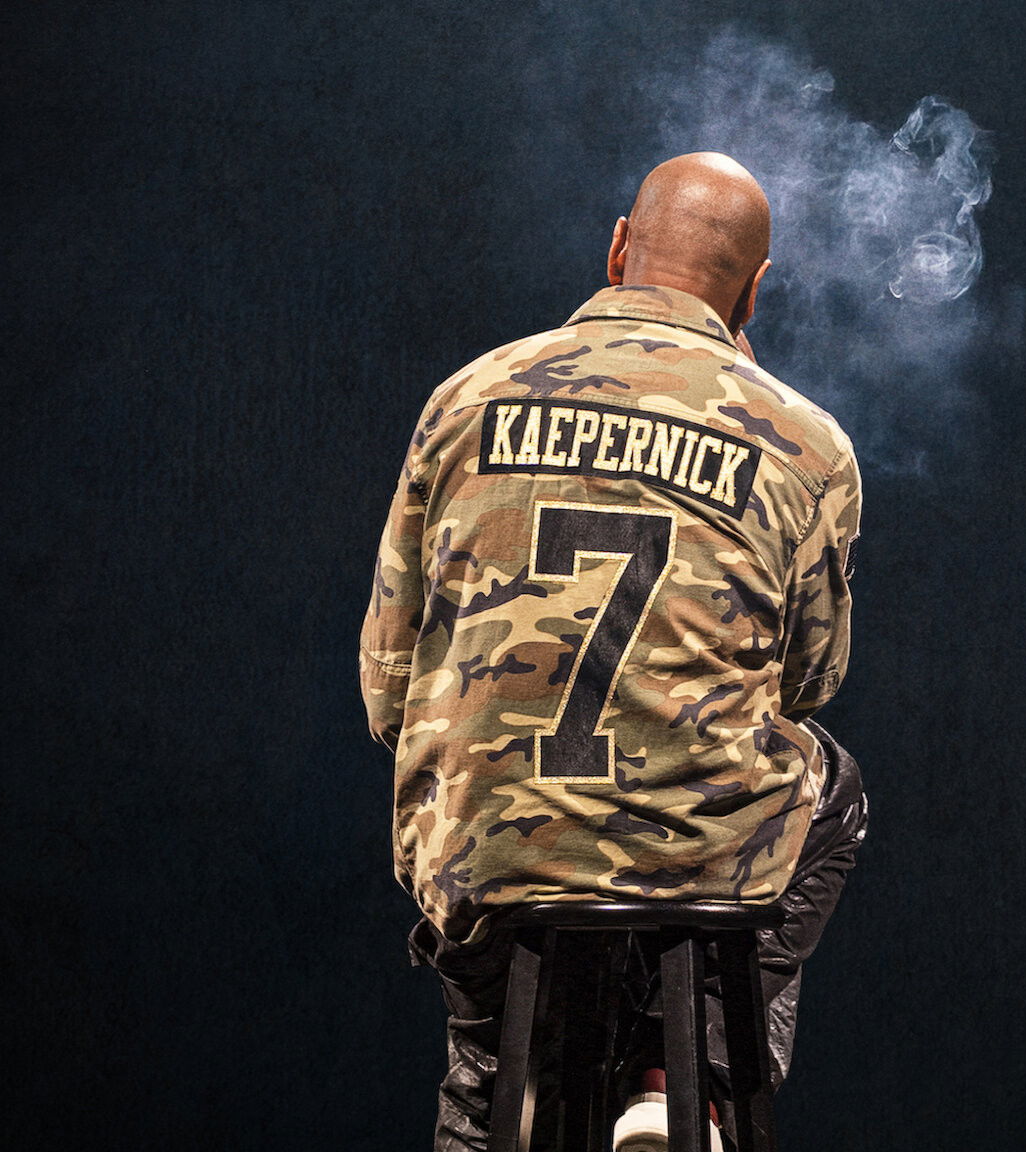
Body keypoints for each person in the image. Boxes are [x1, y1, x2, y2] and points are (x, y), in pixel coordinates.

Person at [358, 153, 869, 1151]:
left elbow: (389, 687)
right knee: (830, 790)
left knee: (491, 1052)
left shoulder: (462, 399)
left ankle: (497, 1089)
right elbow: (809, 683)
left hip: (487, 854)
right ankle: (680, 1080)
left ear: (618, 247)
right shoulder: (806, 443)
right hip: (694, 851)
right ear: (753, 292)